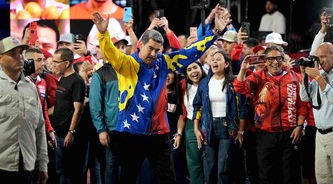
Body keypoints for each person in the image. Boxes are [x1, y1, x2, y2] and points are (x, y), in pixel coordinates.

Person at [92, 10, 225, 183]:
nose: (153, 54)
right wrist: (103, 33)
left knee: (168, 179)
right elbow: (110, 52)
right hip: (130, 133)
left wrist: (215, 33)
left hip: (159, 134)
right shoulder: (127, 63)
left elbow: (191, 52)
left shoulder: (164, 62)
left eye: (157, 50)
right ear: (141, 45)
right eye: (150, 49)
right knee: (127, 178)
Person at [234, 45, 307, 184]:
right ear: (265, 61)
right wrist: (243, 69)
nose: (275, 62)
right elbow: (240, 87)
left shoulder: (294, 77)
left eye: (278, 58)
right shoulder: (257, 77)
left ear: (283, 58)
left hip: (290, 133)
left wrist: (299, 126)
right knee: (267, 175)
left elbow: (302, 104)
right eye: (271, 59)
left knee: (290, 175)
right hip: (265, 134)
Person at [0, 36, 48, 183]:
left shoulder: (31, 88)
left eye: (21, 52)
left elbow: (39, 127)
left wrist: (43, 164)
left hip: (27, 167)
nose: (19, 57)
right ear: (0, 58)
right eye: (12, 54)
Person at [193, 50, 247, 184]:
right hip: (208, 127)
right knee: (209, 166)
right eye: (213, 59)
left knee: (224, 167)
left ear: (227, 64)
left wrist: (240, 131)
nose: (214, 61)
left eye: (218, 59)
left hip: (228, 128)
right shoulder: (204, 83)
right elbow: (197, 107)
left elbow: (242, 108)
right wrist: (196, 129)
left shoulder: (234, 83)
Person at [89, 36, 129, 184]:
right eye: (116, 47)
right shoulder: (101, 73)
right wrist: (101, 129)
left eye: (123, 47)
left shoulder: (131, 68)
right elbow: (95, 104)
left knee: (131, 165)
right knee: (112, 164)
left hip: (133, 127)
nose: (120, 50)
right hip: (113, 127)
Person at [299, 42, 333, 184]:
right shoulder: (320, 74)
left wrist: (318, 78)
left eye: (323, 56)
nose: (320, 60)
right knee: (322, 177)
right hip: (320, 134)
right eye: (318, 57)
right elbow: (305, 97)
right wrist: (304, 77)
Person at [50, 47, 86, 183]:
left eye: (56, 62)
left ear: (66, 63)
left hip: (67, 135)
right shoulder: (62, 79)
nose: (53, 64)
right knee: (59, 170)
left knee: (68, 172)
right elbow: (60, 105)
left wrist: (71, 132)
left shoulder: (77, 81)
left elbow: (78, 110)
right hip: (58, 132)